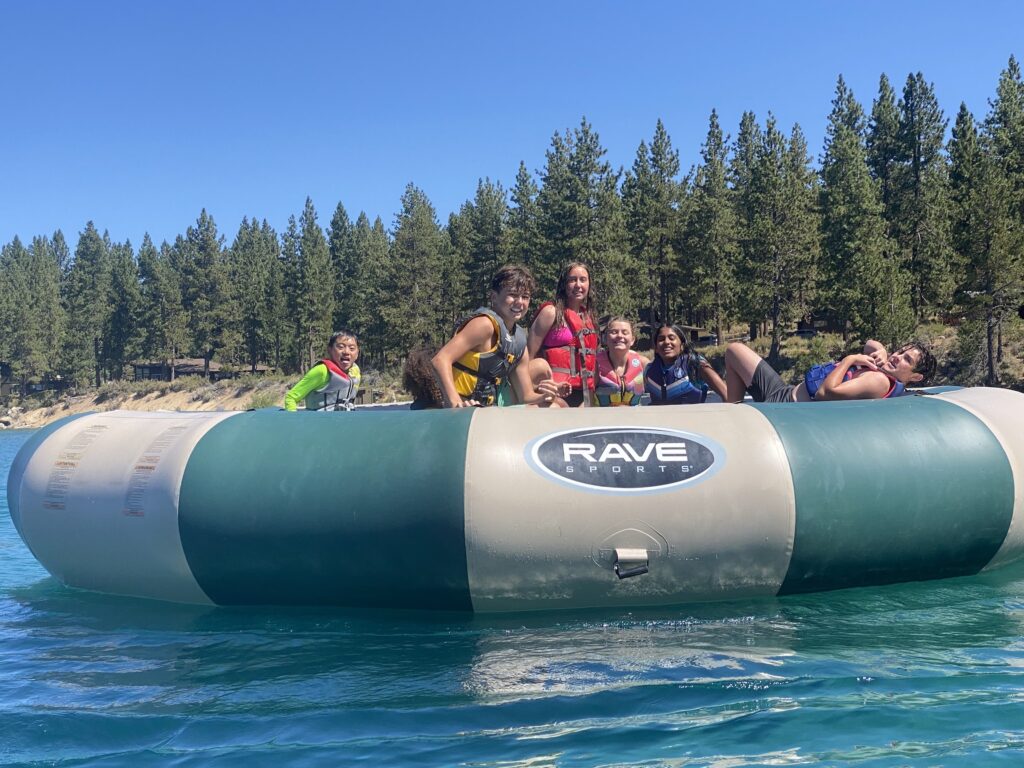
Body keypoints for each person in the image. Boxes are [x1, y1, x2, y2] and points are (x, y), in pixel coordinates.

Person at [432, 264, 560, 408]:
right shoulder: (484, 325)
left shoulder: (519, 340)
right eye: (512, 295)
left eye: (525, 297)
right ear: (494, 296)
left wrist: (545, 396)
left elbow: (525, 395)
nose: (520, 302)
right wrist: (456, 402)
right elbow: (440, 360)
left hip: (488, 408)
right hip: (461, 406)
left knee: (553, 407)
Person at [724, 338, 936, 403]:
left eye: (906, 359)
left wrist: (849, 359)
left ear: (916, 377)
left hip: (785, 406)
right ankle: (734, 409)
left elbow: (826, 392)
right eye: (899, 351)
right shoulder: (883, 369)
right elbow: (870, 344)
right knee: (734, 350)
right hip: (784, 391)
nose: (897, 357)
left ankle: (736, 415)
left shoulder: (880, 381)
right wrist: (881, 350)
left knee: (734, 351)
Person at [527, 262, 599, 407]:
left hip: (584, 395)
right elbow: (528, 356)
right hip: (553, 392)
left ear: (589, 284)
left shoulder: (589, 318)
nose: (578, 285)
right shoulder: (550, 312)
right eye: (572, 280)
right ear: (563, 285)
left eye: (583, 280)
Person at [644, 324, 728, 405]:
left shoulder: (696, 364)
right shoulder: (649, 370)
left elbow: (725, 393)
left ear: (682, 346)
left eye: (671, 338)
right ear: (656, 348)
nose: (666, 342)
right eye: (661, 339)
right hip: (659, 418)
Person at [284, 331, 362, 411]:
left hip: (345, 421)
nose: (346, 352)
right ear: (330, 350)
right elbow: (291, 398)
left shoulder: (355, 371)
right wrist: (293, 421)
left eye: (352, 348)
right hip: (320, 421)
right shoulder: (322, 371)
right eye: (341, 347)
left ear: (357, 353)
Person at [592, 316, 650, 406]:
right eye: (614, 332)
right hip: (603, 418)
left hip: (635, 418)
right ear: (606, 338)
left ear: (632, 340)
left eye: (625, 332)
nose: (619, 335)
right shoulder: (595, 365)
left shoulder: (643, 363)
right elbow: (587, 399)